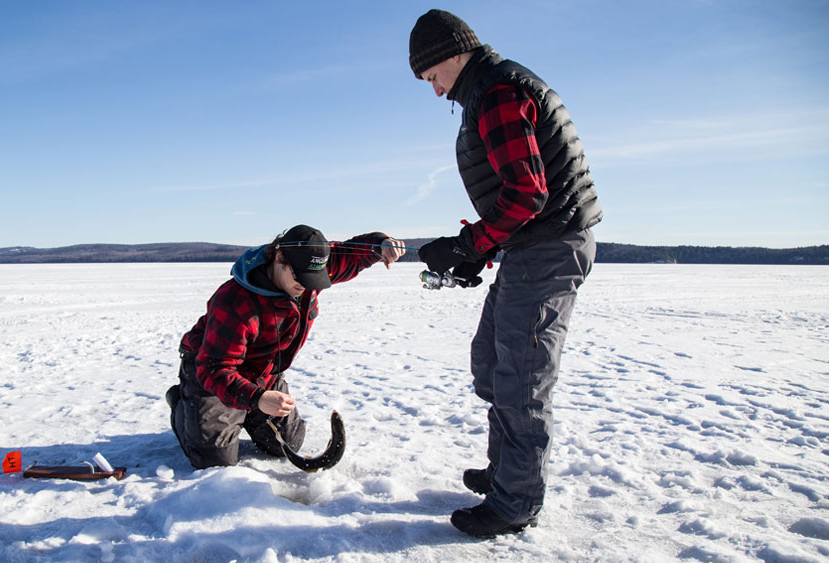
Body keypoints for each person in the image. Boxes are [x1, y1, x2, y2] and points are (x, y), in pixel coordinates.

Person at [408, 9, 603, 538]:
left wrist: (469, 243)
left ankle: (515, 502)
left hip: (549, 249)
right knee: (492, 363)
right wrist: (480, 251)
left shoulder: (496, 92)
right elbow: (524, 198)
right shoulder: (490, 88)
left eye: (431, 77)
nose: (434, 90)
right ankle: (504, 474)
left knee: (521, 378)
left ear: (450, 55)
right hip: (532, 245)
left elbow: (528, 193)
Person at [167, 224, 406, 469]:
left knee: (289, 442)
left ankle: (246, 411)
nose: (307, 285)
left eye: (314, 278)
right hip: (210, 373)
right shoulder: (234, 301)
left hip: (264, 372)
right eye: (300, 277)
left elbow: (348, 254)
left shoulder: (308, 265)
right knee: (214, 460)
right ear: (279, 257)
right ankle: (182, 405)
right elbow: (214, 368)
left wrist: (380, 245)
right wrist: (257, 398)